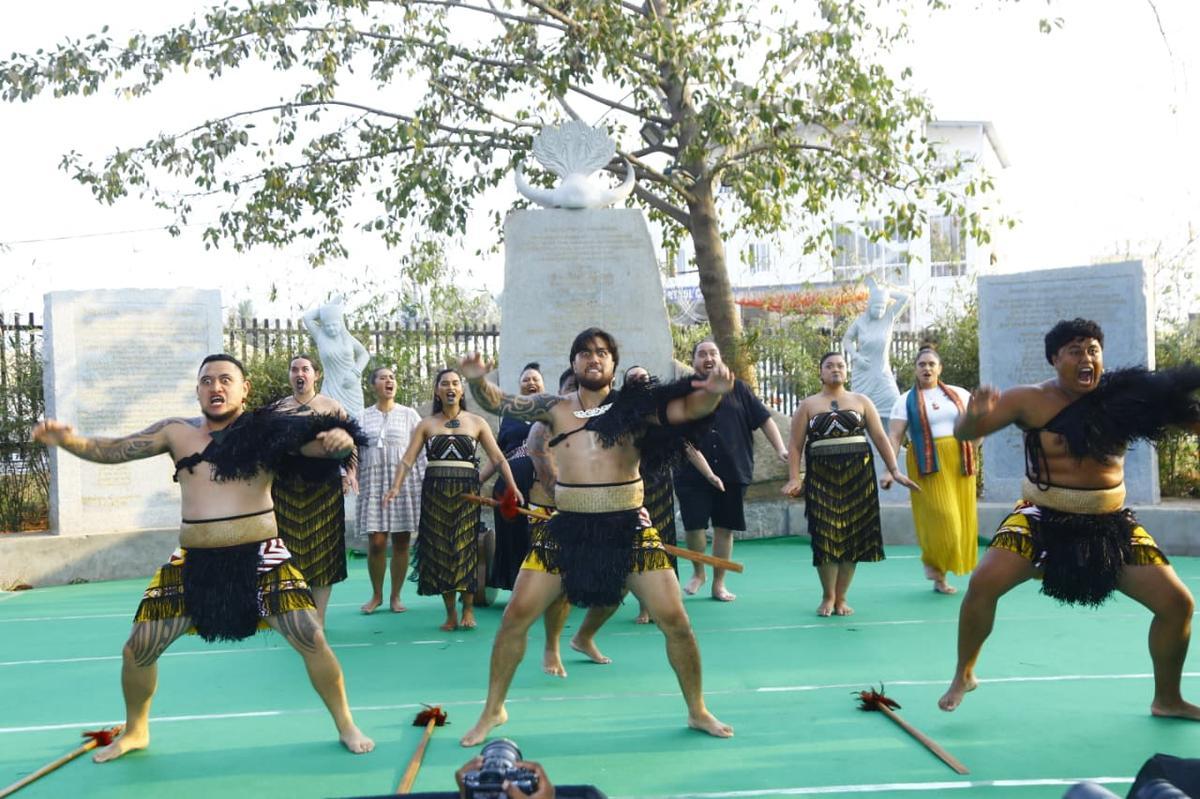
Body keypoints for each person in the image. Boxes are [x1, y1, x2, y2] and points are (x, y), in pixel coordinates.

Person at [31, 353, 374, 761]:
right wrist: (70, 442)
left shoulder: (269, 430)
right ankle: (136, 730)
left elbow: (321, 447)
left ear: (244, 390)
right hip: (193, 562)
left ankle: (346, 724)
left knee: (312, 638)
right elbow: (118, 449)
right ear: (197, 390)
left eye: (226, 379)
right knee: (137, 649)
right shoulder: (176, 433)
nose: (216, 387)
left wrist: (340, 443)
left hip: (262, 557)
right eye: (207, 380)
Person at [457, 327, 735, 746]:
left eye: (602, 352)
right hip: (567, 526)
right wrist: (478, 380)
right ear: (573, 363)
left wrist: (713, 393)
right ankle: (494, 709)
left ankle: (697, 710)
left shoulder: (634, 408)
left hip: (629, 527)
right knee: (515, 617)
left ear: (613, 364)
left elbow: (685, 410)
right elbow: (500, 401)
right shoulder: (554, 407)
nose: (594, 358)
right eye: (585, 352)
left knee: (676, 621)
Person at [937, 318, 1200, 719]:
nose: (1086, 358)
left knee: (1177, 604)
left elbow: (1186, 418)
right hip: (1040, 517)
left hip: (1109, 522)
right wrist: (974, 417)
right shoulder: (1029, 400)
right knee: (983, 582)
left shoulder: (1126, 398)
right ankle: (964, 673)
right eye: (1075, 351)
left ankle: (1167, 699)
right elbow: (965, 433)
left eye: (1093, 350)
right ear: (1054, 359)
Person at [782, 351, 919, 616]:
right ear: (821, 373)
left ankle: (842, 597)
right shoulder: (808, 405)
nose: (836, 369)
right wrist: (794, 478)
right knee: (825, 537)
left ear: (846, 372)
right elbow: (795, 446)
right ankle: (828, 596)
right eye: (829, 366)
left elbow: (880, 438)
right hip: (821, 480)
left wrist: (895, 470)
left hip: (858, 479)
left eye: (840, 365)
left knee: (852, 538)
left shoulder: (861, 401)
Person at [386, 368, 522, 631]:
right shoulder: (426, 424)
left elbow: (498, 458)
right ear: (437, 391)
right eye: (445, 384)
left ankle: (468, 608)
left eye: (455, 383)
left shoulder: (476, 422)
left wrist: (513, 487)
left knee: (464, 549)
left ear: (461, 390)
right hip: (435, 494)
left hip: (466, 494)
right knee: (441, 552)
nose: (450, 387)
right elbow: (407, 460)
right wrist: (395, 487)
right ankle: (450, 613)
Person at [675, 339, 788, 602]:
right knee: (694, 526)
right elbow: (679, 433)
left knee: (725, 528)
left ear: (720, 358)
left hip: (733, 469)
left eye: (713, 353)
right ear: (693, 361)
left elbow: (764, 420)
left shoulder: (740, 389)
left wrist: (781, 448)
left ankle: (719, 583)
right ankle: (699, 573)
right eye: (702, 354)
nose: (708, 358)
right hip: (691, 472)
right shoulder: (683, 391)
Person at [885, 347, 979, 594]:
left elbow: (978, 425)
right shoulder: (904, 401)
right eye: (922, 364)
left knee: (960, 521)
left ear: (940, 368)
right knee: (944, 518)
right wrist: (889, 469)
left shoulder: (960, 394)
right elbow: (894, 436)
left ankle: (940, 577)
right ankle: (933, 562)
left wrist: (974, 449)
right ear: (915, 369)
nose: (926, 368)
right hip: (926, 463)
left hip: (959, 462)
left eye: (931, 364)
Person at [272, 354, 353, 625]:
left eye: (305, 369)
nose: (300, 374)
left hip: (324, 489)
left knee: (323, 553)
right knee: (289, 551)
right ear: (289, 376)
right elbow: (268, 449)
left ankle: (318, 618)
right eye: (294, 369)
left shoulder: (332, 407)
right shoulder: (278, 410)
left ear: (316, 375)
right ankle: (297, 613)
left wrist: (349, 474)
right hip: (286, 489)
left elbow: (350, 444)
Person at [357, 365, 425, 614]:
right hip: (373, 483)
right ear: (373, 385)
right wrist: (351, 477)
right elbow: (354, 451)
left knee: (401, 542)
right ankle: (377, 595)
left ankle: (396, 596)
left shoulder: (409, 415)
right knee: (376, 542)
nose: (389, 381)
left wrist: (423, 480)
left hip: (403, 484)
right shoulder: (362, 416)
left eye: (392, 377)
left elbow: (420, 450)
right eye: (383, 378)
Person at [483, 362, 545, 591]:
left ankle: (548, 589)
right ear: (519, 386)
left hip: (543, 486)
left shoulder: (554, 413)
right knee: (513, 535)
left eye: (535, 379)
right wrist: (477, 480)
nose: (531, 383)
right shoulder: (510, 416)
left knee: (541, 535)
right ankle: (517, 587)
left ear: (543, 384)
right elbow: (497, 454)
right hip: (510, 486)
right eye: (526, 379)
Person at [839, 276, 912, 423]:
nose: (879, 311)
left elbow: (906, 297)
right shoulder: (860, 322)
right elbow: (846, 340)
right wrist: (856, 356)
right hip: (863, 372)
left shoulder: (889, 317)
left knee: (895, 407)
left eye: (882, 307)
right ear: (870, 305)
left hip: (882, 372)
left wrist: (885, 292)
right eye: (876, 307)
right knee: (860, 412)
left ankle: (893, 437)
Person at [302, 298, 371, 420]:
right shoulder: (320, 337)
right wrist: (329, 308)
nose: (331, 328)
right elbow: (307, 318)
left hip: (350, 386)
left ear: (340, 322)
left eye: (334, 324)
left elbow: (364, 355)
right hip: (330, 387)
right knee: (328, 420)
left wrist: (355, 373)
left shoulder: (347, 339)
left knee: (356, 422)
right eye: (327, 326)